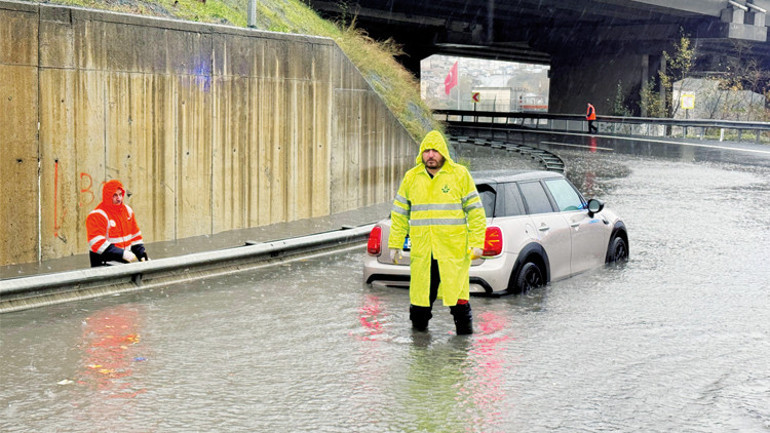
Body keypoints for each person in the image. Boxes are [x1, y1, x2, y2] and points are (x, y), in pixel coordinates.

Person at [388, 130, 487, 335]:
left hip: (452, 253)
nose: (430, 155)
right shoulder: (411, 178)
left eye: (435, 151)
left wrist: (478, 242)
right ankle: (419, 353)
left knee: (459, 302)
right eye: (426, 151)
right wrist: (395, 243)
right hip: (424, 253)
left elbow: (476, 212)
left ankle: (462, 353)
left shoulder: (459, 175)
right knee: (419, 304)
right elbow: (399, 214)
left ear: (443, 152)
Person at [86, 179, 149, 267]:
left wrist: (141, 254)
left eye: (120, 194)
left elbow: (135, 236)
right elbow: (98, 243)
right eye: (115, 195)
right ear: (108, 196)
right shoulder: (97, 215)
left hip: (123, 265)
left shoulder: (128, 211)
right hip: (104, 266)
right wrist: (123, 254)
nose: (119, 198)